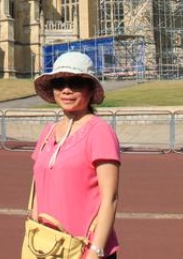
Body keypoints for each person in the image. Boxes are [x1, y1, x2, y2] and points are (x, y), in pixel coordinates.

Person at [29, 52, 120, 258]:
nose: (66, 90)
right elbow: (38, 189)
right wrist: (34, 231)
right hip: (47, 246)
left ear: (89, 89)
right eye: (59, 83)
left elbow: (110, 199)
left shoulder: (99, 131)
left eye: (76, 83)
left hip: (84, 248)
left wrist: (95, 251)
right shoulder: (48, 132)